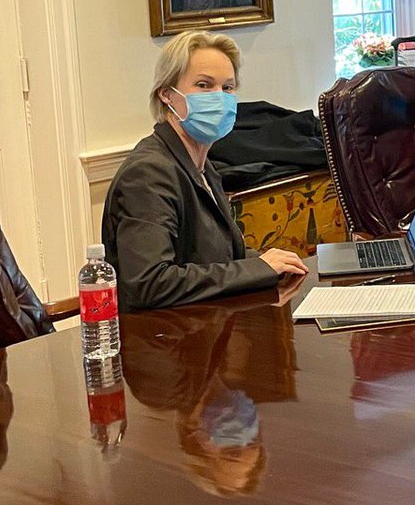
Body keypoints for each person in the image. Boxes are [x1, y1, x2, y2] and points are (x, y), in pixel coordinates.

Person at [102, 31, 307, 310]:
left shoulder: (201, 164)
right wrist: (258, 269)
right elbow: (148, 283)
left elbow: (220, 256)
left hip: (207, 326)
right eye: (204, 85)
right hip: (163, 340)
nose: (219, 98)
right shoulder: (149, 172)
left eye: (228, 88)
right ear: (166, 94)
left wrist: (269, 264)